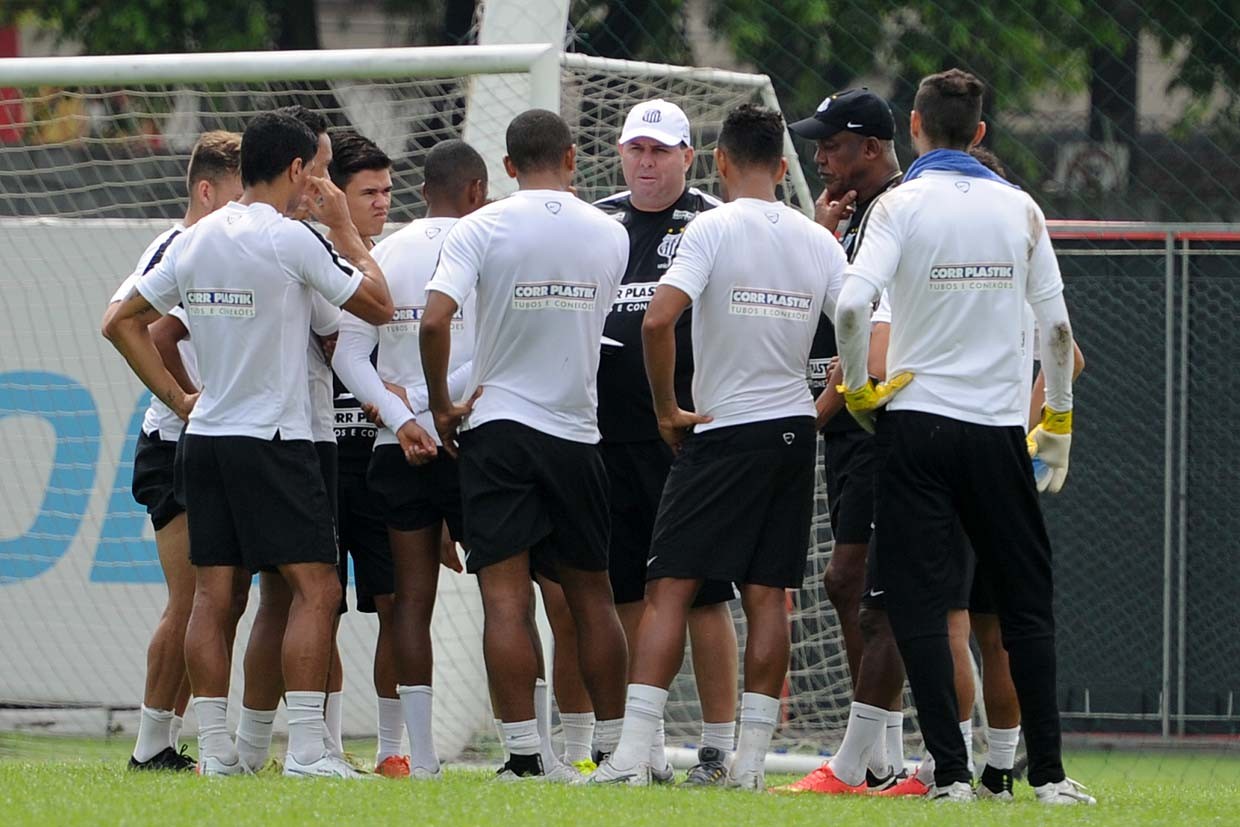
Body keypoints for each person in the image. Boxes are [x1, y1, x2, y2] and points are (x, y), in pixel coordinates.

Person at [102, 110, 394, 778]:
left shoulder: (196, 239)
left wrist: (180, 400)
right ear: (295, 170)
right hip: (276, 437)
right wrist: (346, 230)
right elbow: (380, 306)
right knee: (316, 588)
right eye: (312, 172)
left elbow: (121, 321)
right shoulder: (293, 240)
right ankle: (309, 752)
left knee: (212, 595)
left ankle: (215, 750)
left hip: (205, 438)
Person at [833, 68, 1093, 804]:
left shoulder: (899, 206)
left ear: (914, 126)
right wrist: (1060, 426)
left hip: (913, 425)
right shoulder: (1021, 209)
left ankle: (948, 775)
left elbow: (853, 307)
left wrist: (858, 391)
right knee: (1023, 603)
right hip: (995, 432)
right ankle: (1044, 775)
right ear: (980, 133)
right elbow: (1060, 331)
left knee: (918, 602)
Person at [591, 103, 846, 790]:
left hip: (720, 429)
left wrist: (668, 409)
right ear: (785, 165)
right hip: (792, 434)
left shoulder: (709, 226)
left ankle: (630, 754)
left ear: (720, 163)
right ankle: (749, 767)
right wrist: (818, 411)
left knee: (669, 586)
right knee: (767, 595)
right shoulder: (818, 240)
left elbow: (657, 322)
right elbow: (858, 330)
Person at [419, 109, 631, 780]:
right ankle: (619, 751)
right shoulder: (612, 231)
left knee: (505, 600)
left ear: (506, 167)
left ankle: (524, 755)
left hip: (499, 428)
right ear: (572, 159)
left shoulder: (480, 226)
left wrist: (440, 406)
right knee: (593, 595)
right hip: (575, 431)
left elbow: (433, 321)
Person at [776, 90, 972, 796]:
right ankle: (887, 756)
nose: (819, 154)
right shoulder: (854, 217)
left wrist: (814, 414)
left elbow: (875, 331)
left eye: (830, 143)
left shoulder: (902, 210)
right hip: (853, 428)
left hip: (887, 421)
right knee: (859, 587)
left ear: (871, 145)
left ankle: (879, 759)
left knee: (879, 591)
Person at [589, 98, 739, 785]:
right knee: (624, 587)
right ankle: (639, 747)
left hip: (690, 437)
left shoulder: (712, 220)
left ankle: (718, 747)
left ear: (687, 155)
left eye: (660, 150)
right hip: (608, 436)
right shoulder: (600, 221)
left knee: (704, 592)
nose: (646, 162)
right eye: (636, 150)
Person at [333, 137, 488, 780]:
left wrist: (403, 417)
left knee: (408, 603)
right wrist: (436, 406)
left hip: (396, 449)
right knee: (516, 595)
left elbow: (346, 354)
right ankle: (539, 749)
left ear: (421, 191)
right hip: (471, 439)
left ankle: (415, 758)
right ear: (478, 192)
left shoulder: (383, 254)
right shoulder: (489, 245)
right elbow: (502, 347)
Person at [104, 130, 245, 772]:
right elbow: (130, 325)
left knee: (226, 598)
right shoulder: (180, 246)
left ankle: (167, 742)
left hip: (218, 442)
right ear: (207, 190)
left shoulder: (231, 249)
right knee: (193, 597)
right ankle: (150, 746)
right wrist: (185, 398)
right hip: (175, 442)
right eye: (241, 195)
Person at [325, 130, 410, 777]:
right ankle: (319, 742)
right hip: (321, 456)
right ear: (336, 196)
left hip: (381, 458)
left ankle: (391, 748)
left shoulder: (400, 261)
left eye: (387, 190)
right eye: (368, 191)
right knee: (314, 601)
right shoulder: (306, 258)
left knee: (393, 602)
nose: (383, 201)